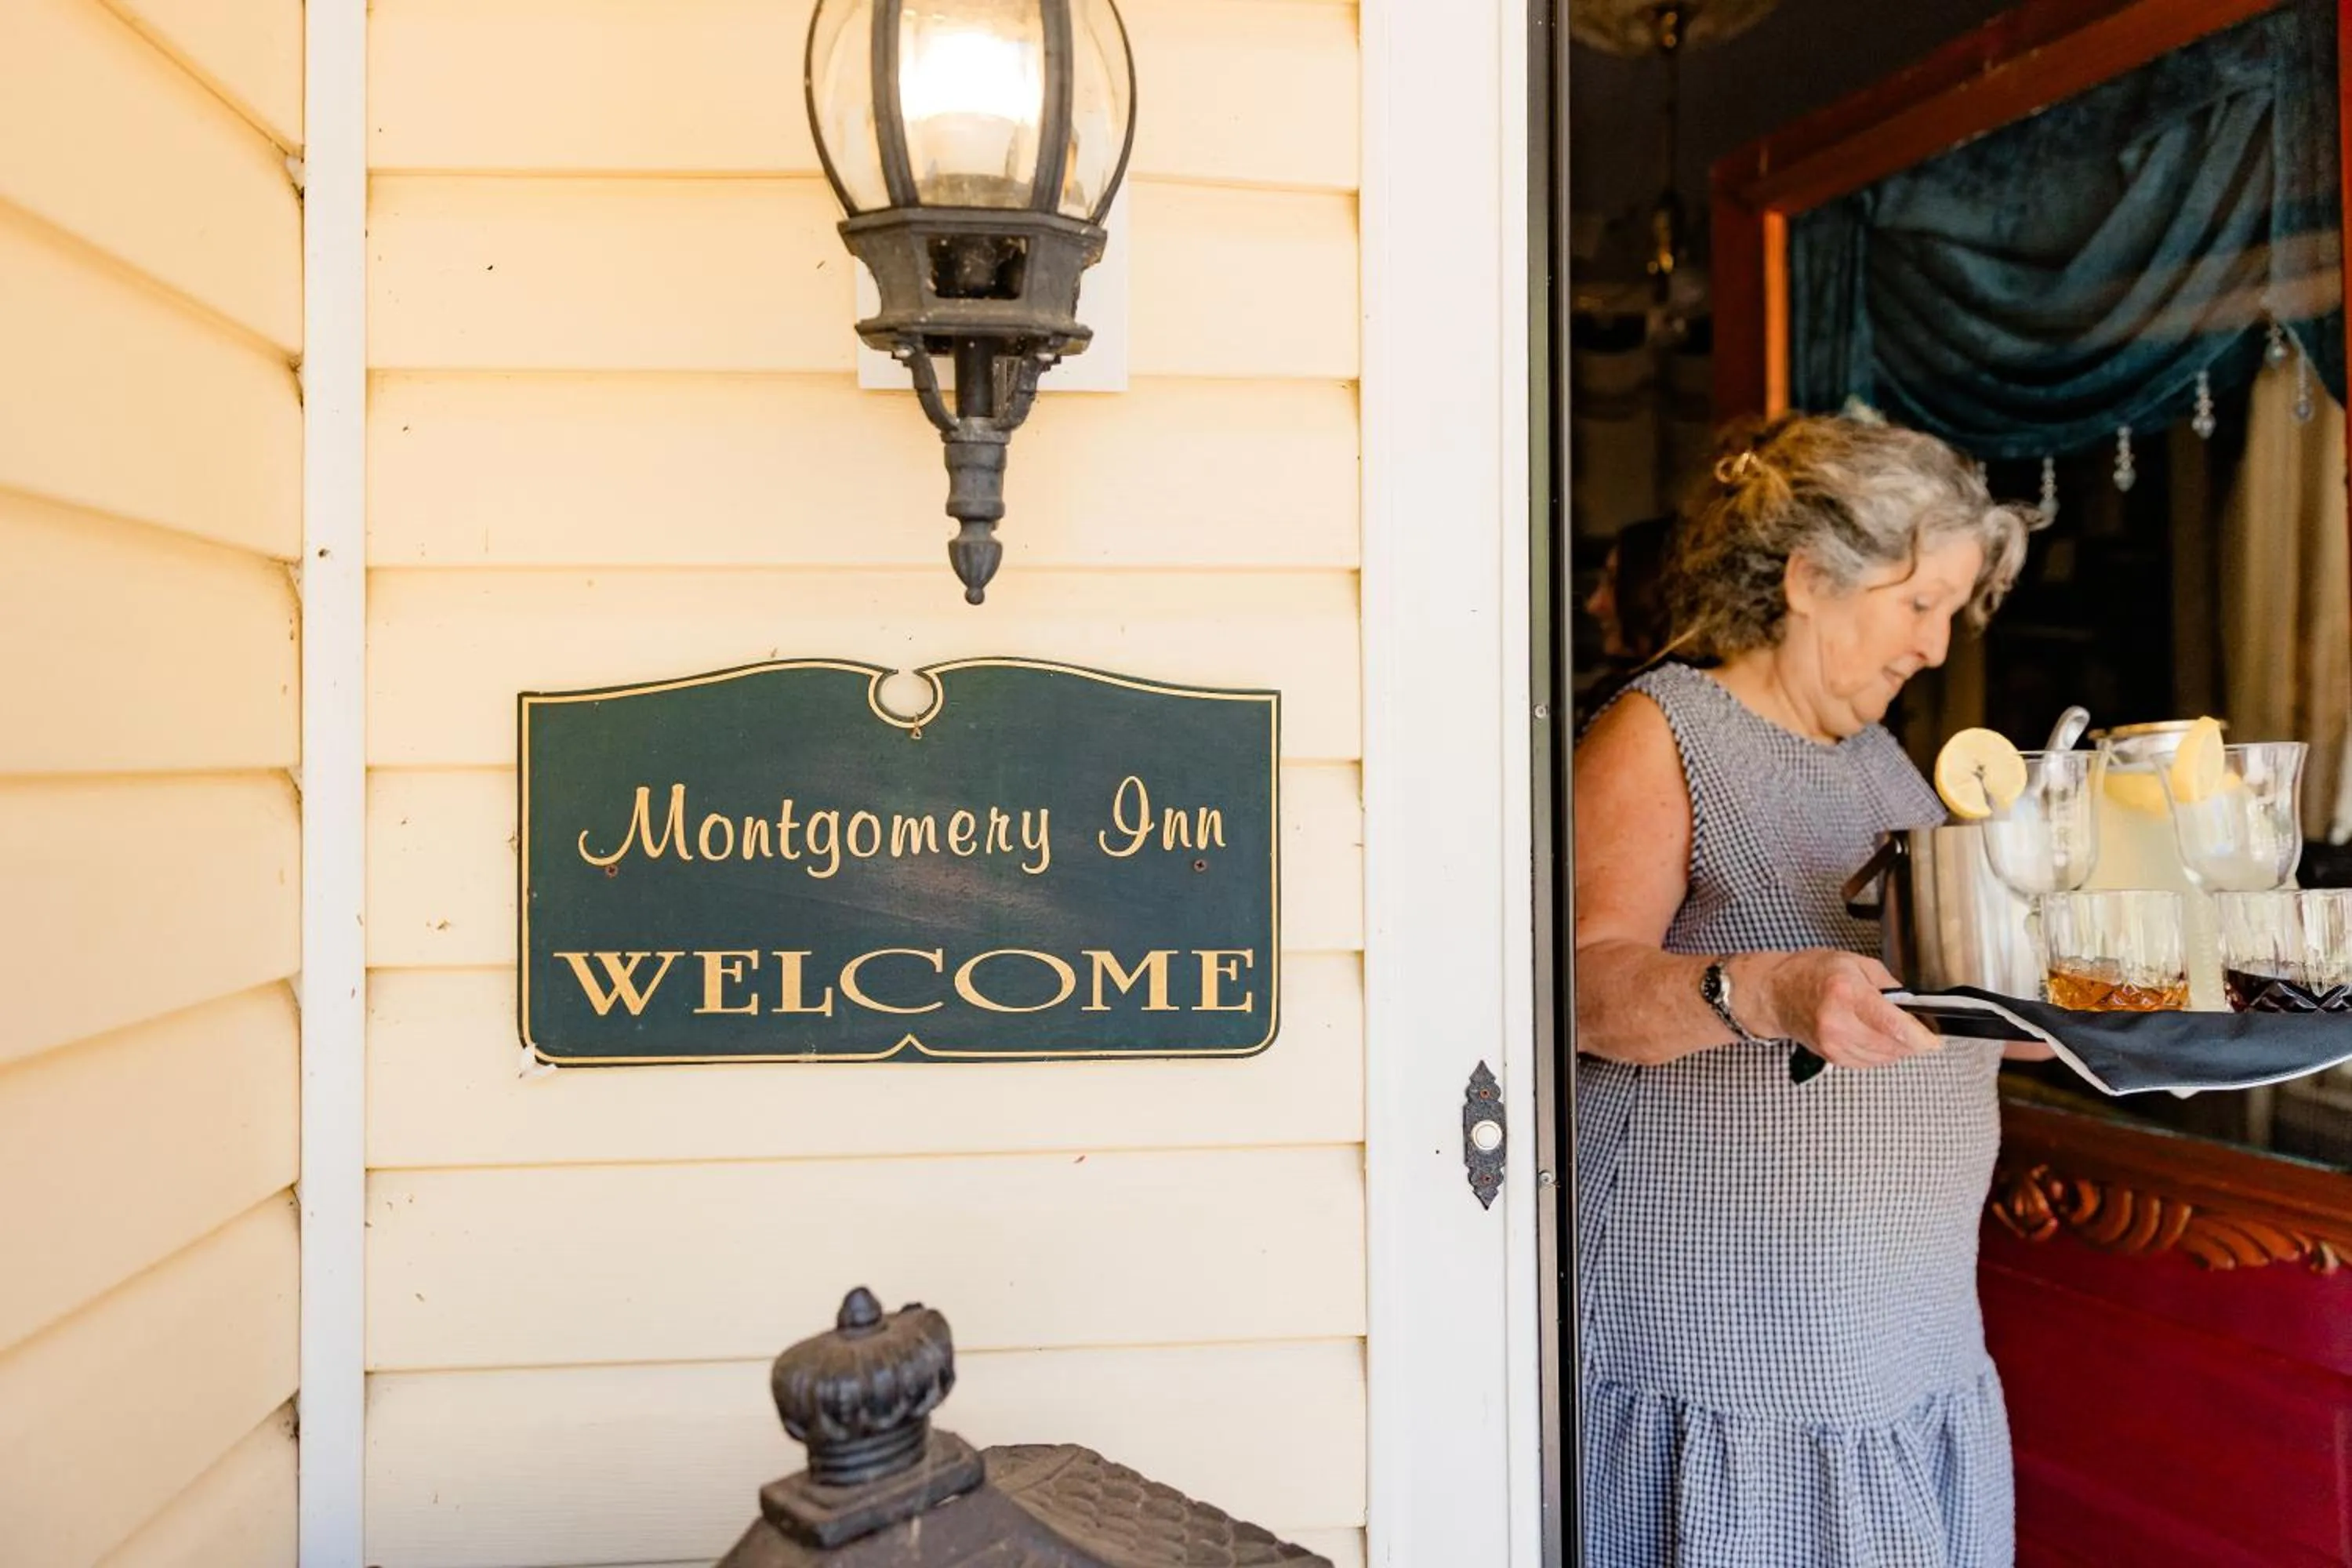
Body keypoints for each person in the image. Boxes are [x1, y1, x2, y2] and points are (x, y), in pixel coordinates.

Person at [1573, 411, 2045, 1567]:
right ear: (1809, 579)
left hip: (1907, 1327)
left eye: (1951, 610)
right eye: (1918, 603)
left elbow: (1943, 1002)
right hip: (1738, 1338)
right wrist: (1769, 996)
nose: (1935, 647)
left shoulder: (1879, 762)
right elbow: (1582, 989)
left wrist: (2048, 1017)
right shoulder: (1661, 729)